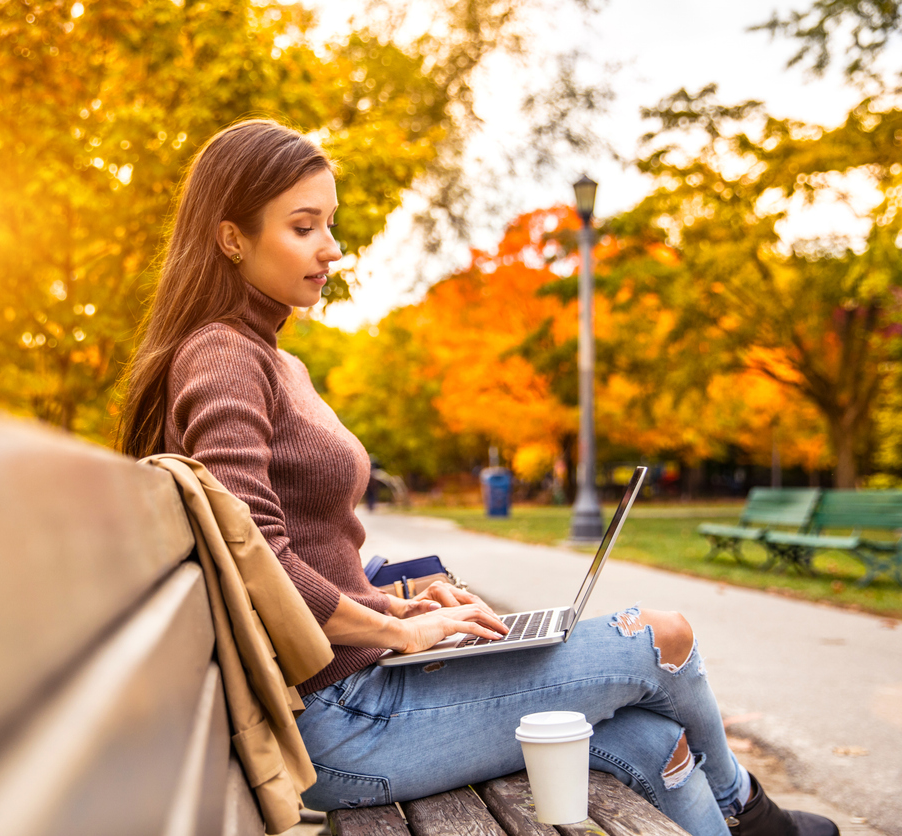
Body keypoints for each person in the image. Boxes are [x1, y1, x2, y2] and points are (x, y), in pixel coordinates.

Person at [119, 118, 838, 836]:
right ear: (230, 237)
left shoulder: (275, 359)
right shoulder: (220, 356)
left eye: (329, 225)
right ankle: (753, 815)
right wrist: (398, 633)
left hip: (363, 693)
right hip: (342, 722)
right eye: (304, 227)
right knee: (662, 638)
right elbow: (260, 565)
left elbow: (300, 552)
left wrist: (397, 602)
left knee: (653, 742)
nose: (331, 249)